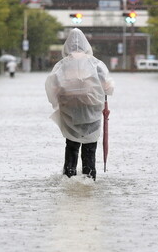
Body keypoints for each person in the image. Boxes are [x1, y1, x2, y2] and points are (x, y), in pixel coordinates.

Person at [45, 28, 115, 180]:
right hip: (92, 111)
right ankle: (89, 179)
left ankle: (69, 176)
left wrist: (60, 101)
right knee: (90, 147)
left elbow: (52, 88)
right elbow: (108, 87)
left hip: (70, 112)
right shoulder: (96, 64)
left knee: (71, 145)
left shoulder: (62, 65)